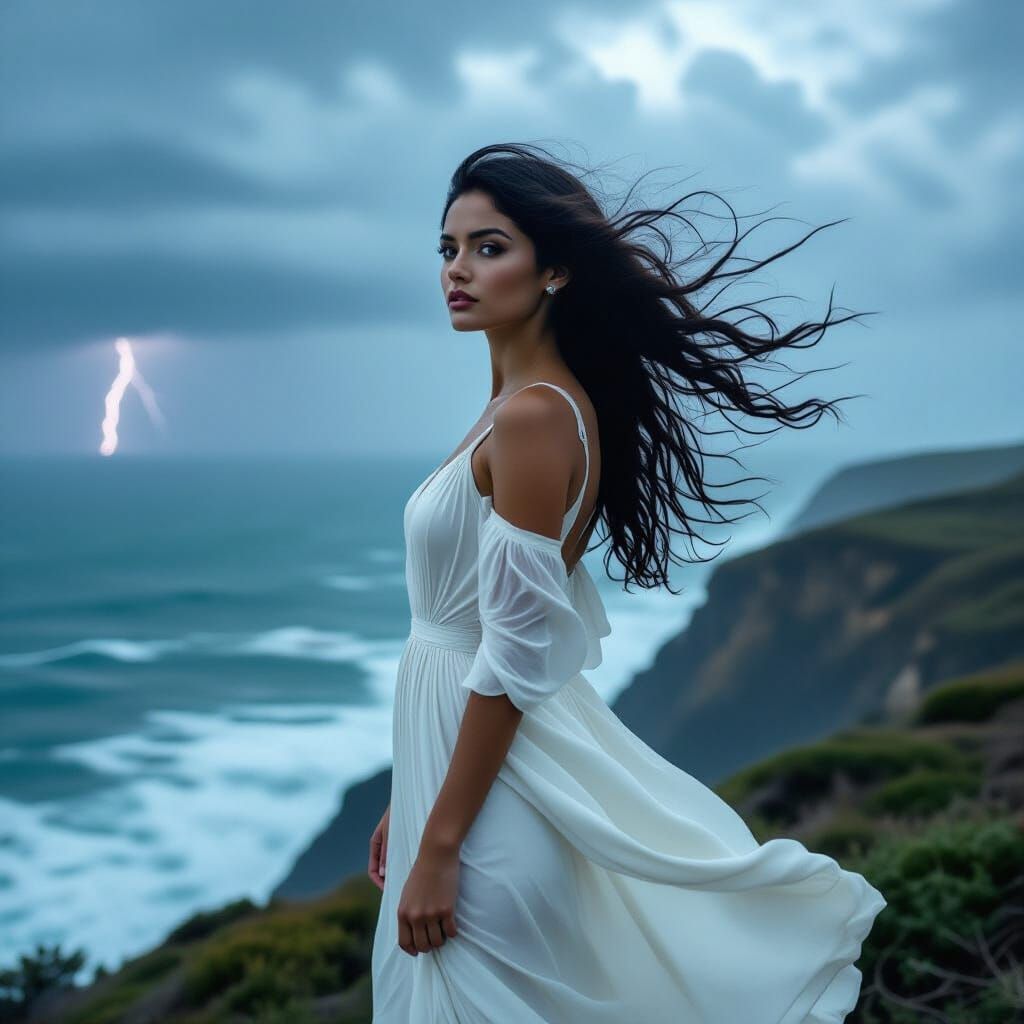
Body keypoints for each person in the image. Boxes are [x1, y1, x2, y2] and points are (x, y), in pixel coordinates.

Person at [368, 142, 886, 1022]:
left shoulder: (534, 417)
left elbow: (516, 649)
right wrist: (408, 796)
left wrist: (443, 839)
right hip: (462, 776)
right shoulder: (516, 408)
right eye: (448, 248)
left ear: (556, 270)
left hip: (491, 817)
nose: (458, 269)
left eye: (489, 247)